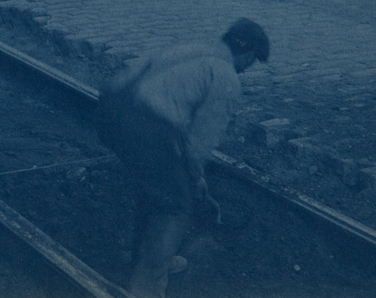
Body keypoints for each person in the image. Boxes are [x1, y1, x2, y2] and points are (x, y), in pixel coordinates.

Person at [94, 19, 270, 298]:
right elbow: (199, 142)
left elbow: (137, 78)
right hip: (143, 125)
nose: (248, 68)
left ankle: (144, 256)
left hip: (112, 106)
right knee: (174, 206)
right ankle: (147, 286)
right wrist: (195, 179)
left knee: (157, 185)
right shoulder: (225, 77)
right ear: (248, 55)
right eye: (252, 62)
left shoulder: (196, 47)